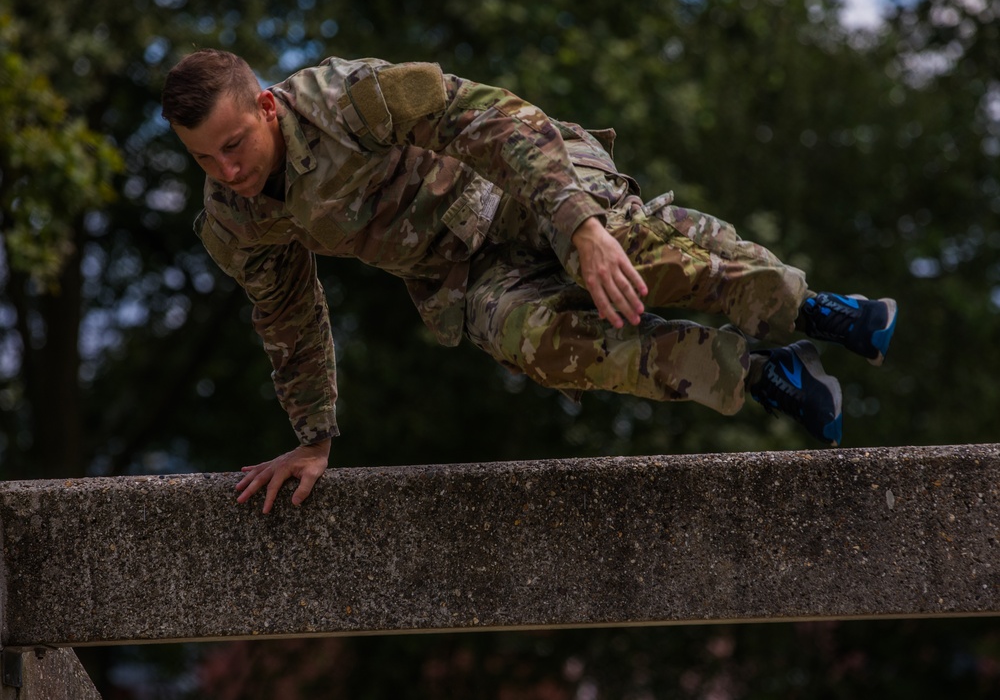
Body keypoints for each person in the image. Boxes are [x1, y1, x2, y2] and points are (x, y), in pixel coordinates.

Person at [161, 49, 898, 513]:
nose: (229, 171)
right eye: (204, 161)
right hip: (465, 272)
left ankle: (809, 309)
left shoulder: (346, 99)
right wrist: (314, 438)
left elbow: (496, 121)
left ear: (264, 108)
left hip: (519, 187)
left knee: (630, 258)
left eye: (235, 145)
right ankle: (765, 375)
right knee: (541, 345)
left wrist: (578, 223)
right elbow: (288, 316)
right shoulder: (235, 218)